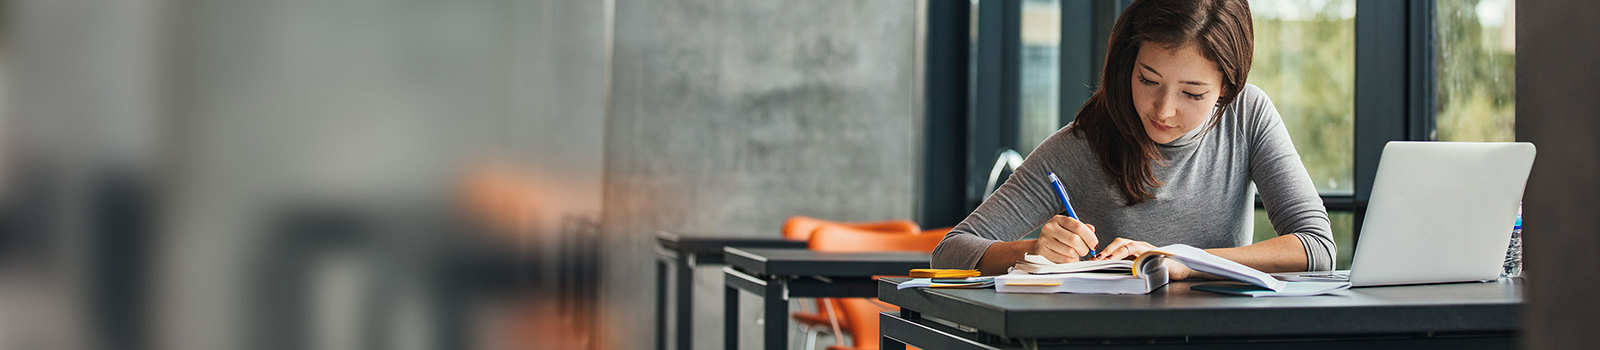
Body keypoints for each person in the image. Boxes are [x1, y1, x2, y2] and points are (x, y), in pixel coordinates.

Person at [931, 0, 1336, 278]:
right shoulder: (1081, 146)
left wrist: (1181, 260)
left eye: (1192, 94)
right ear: (1128, 64)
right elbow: (948, 253)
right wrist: (1032, 252)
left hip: (1218, 335)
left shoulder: (1247, 116)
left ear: (1226, 89)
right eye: (1148, 80)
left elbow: (1317, 247)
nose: (1162, 109)